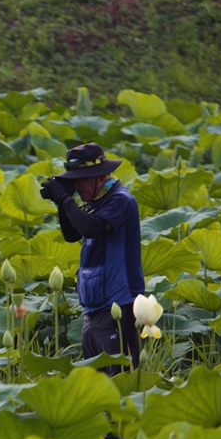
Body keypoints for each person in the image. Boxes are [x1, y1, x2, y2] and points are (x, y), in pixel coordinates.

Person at [38, 143, 144, 371]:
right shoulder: (96, 203)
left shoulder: (120, 199)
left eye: (81, 179)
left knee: (119, 380)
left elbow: (91, 228)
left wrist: (67, 200)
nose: (77, 186)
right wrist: (62, 201)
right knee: (97, 384)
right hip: (94, 307)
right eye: (73, 181)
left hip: (119, 305)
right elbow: (71, 233)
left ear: (100, 176)